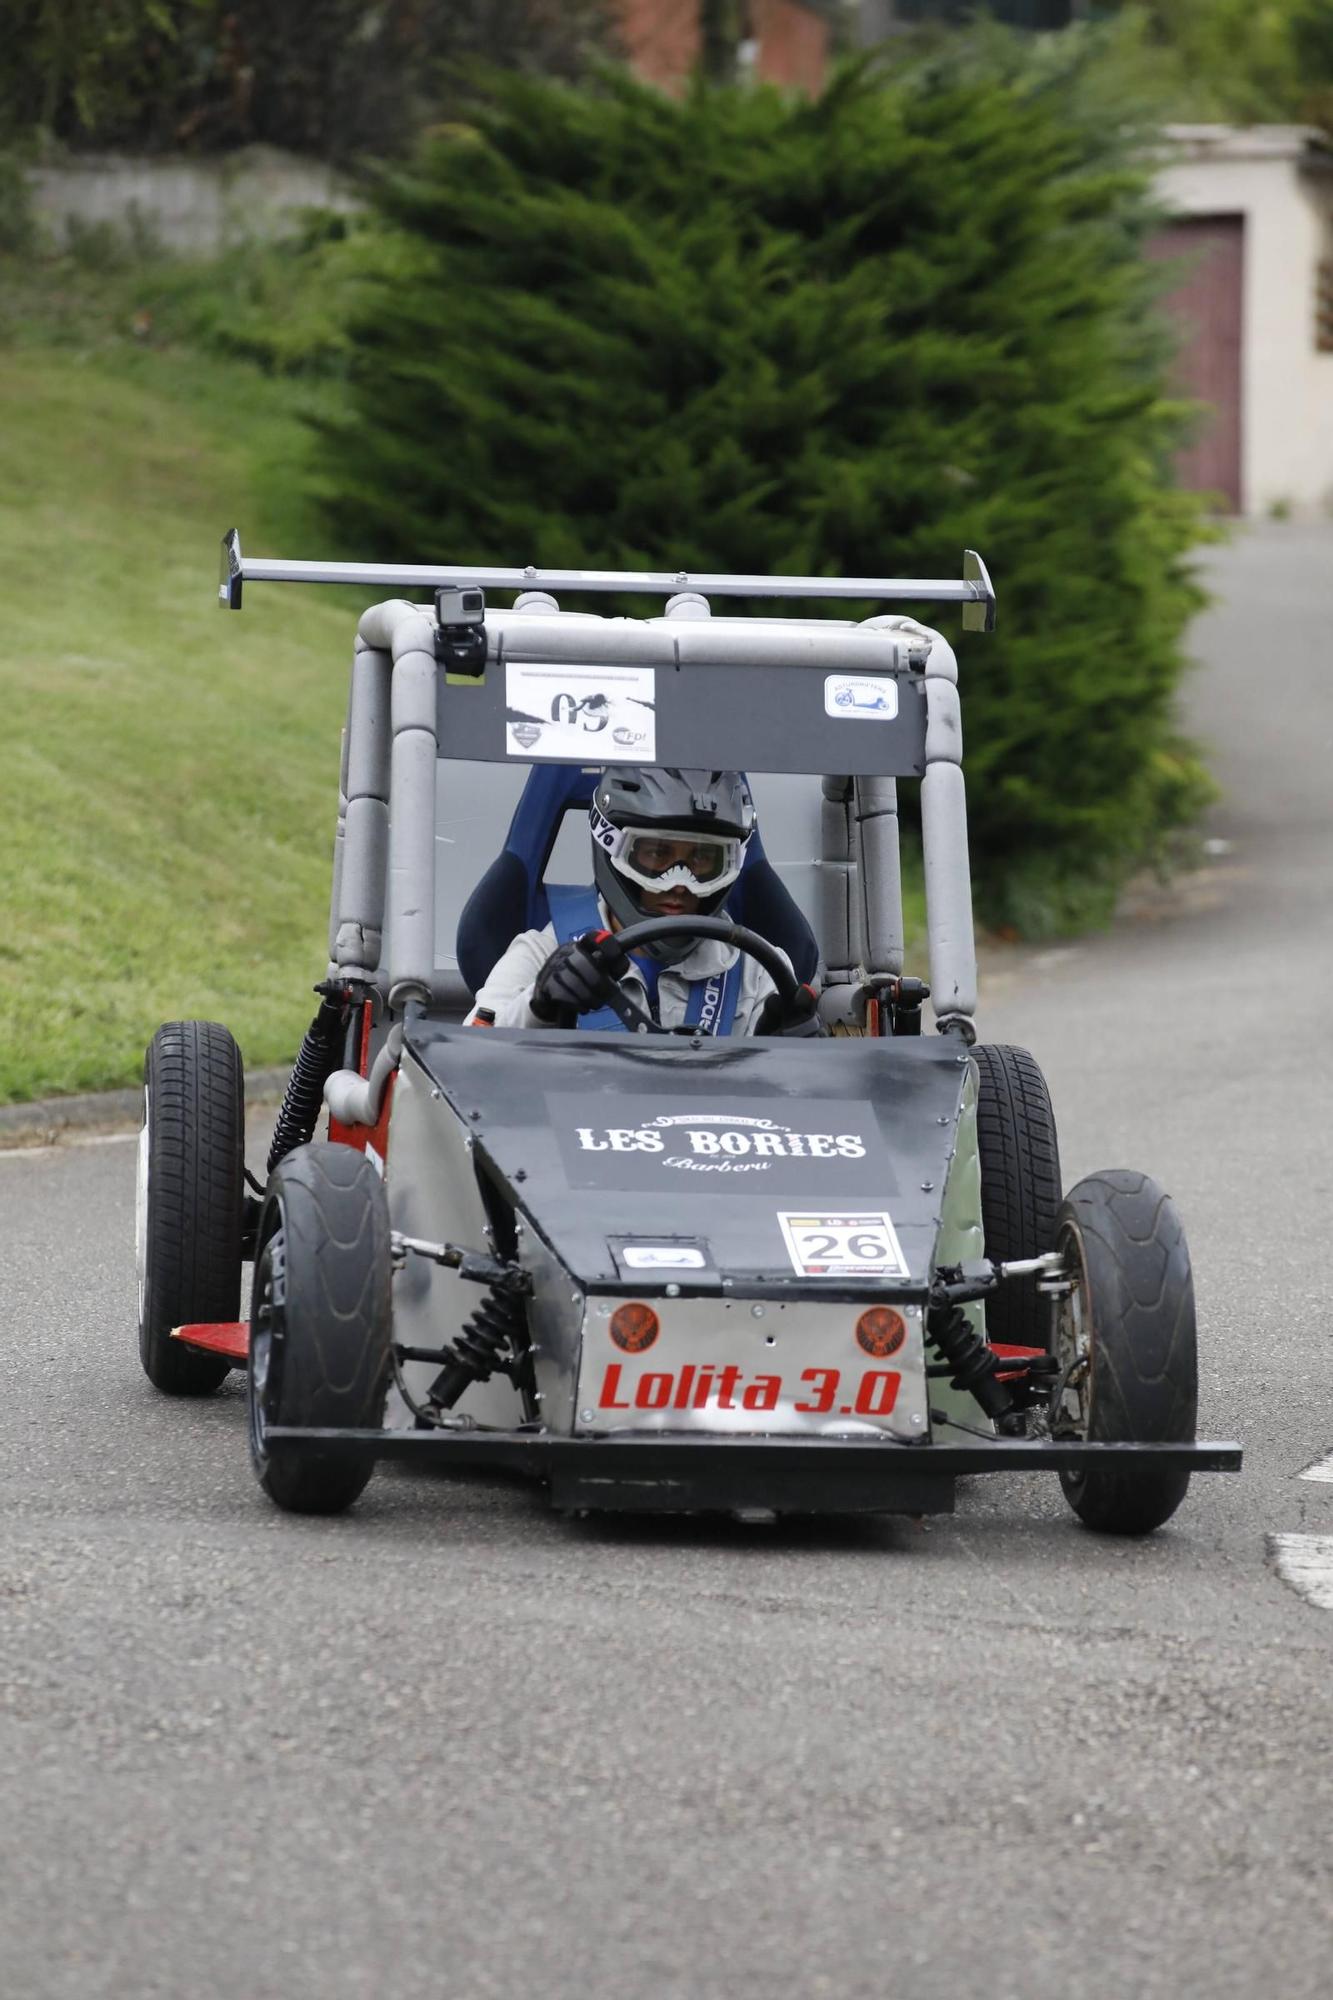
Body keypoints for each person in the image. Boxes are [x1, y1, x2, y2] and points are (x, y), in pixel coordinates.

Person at [467, 766, 819, 1035]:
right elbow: (467, 1067)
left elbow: (800, 1105)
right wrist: (540, 1006)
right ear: (614, 848)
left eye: (701, 859)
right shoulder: (541, 951)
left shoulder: (759, 970)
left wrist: (795, 1051)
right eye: (656, 854)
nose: (680, 883)